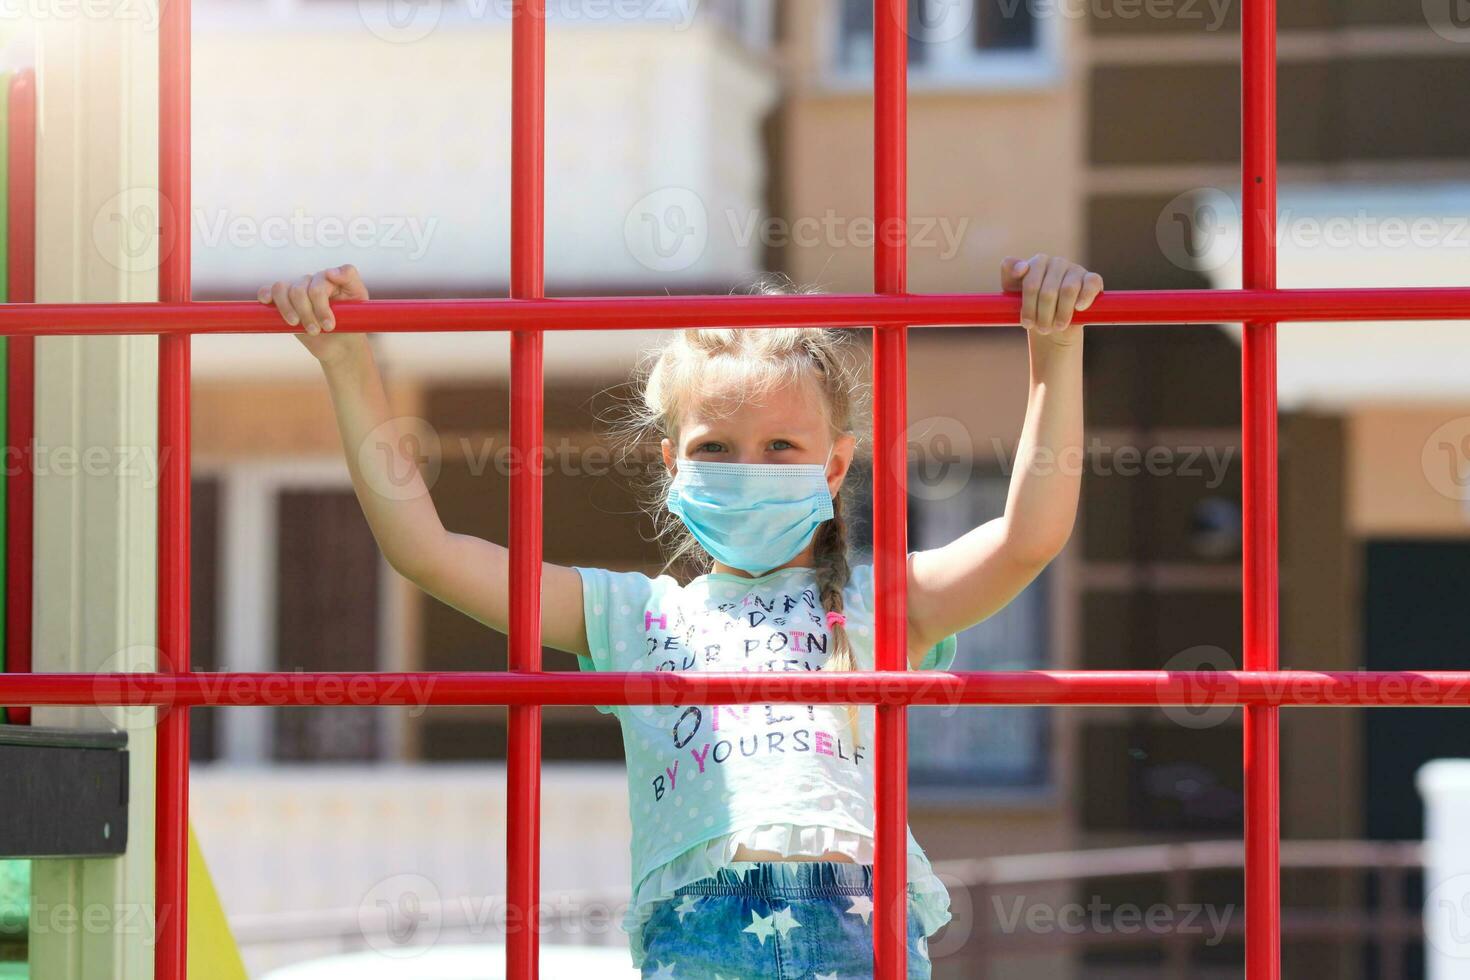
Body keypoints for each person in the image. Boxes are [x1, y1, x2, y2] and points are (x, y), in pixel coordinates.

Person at [258, 253, 1102, 978]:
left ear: (836, 465)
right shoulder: (633, 615)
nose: (749, 468)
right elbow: (427, 551)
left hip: (858, 925)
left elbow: (1030, 537)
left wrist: (1054, 349)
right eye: (715, 449)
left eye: (781, 448)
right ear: (672, 466)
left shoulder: (883, 602)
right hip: (698, 932)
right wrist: (347, 362)